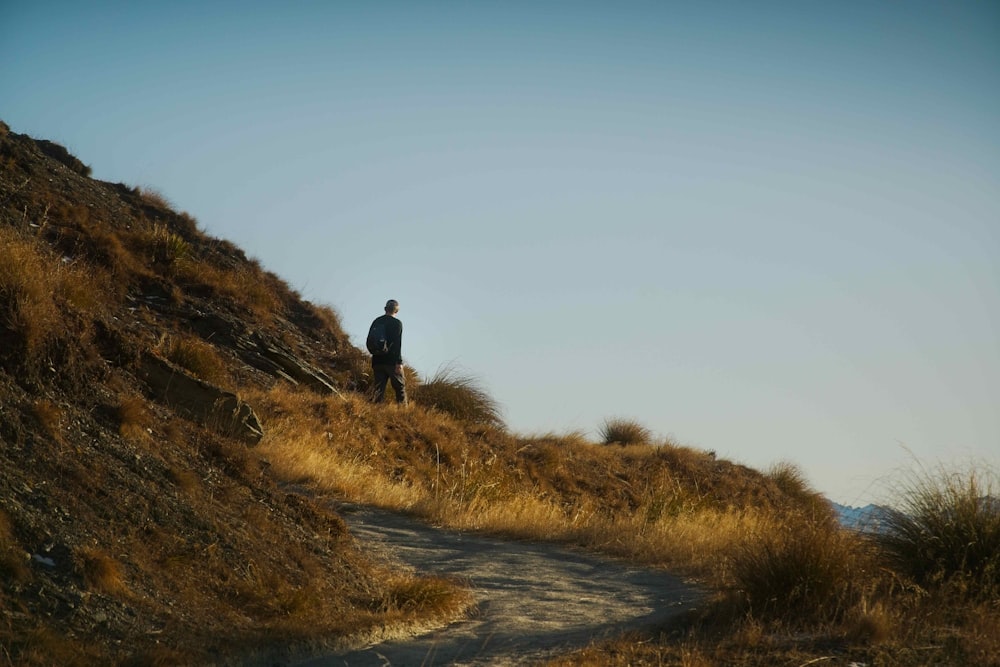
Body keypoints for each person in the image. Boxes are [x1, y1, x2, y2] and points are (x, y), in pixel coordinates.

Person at [369, 299, 406, 404]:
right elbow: (397, 344)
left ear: (385, 309)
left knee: (378, 391)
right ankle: (404, 414)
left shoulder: (377, 321)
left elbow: (370, 340)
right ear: (396, 311)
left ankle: (376, 414)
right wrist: (399, 362)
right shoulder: (397, 323)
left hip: (377, 360)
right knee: (400, 388)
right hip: (391, 362)